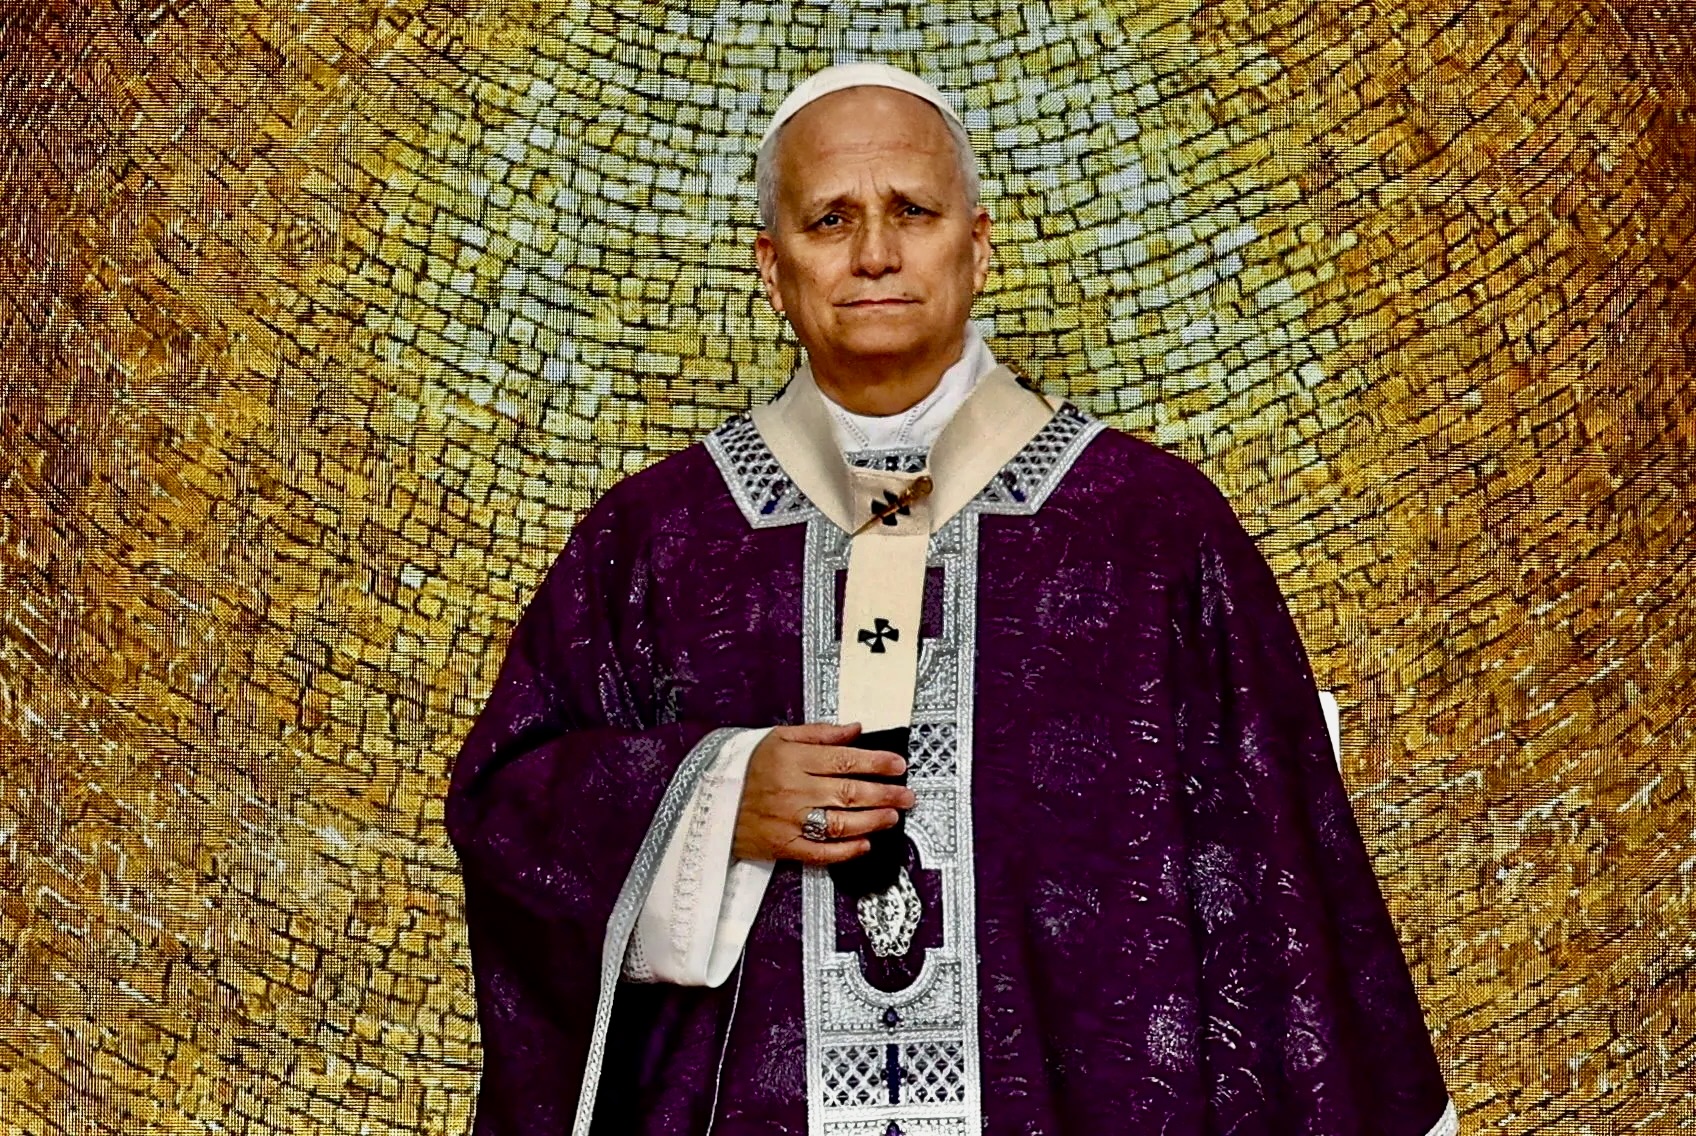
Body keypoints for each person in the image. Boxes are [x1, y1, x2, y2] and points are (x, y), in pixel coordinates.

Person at [446, 63, 1456, 1136]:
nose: (874, 253)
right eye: (830, 219)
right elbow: (505, 807)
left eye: (912, 212)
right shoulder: (657, 540)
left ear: (977, 249)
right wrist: (712, 796)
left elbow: (1285, 880)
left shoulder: (1153, 530)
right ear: (771, 269)